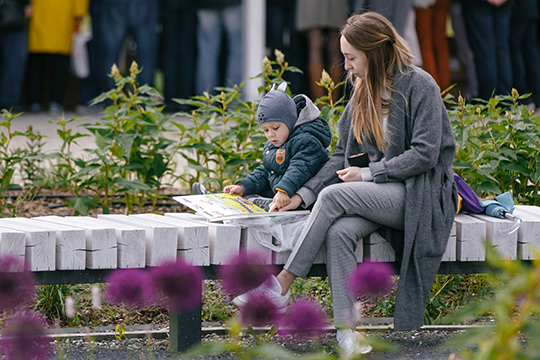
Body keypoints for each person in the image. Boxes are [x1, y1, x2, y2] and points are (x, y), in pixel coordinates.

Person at [233, 12, 458, 357]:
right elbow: (341, 156)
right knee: (339, 232)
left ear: (375, 51)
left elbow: (425, 155)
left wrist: (369, 174)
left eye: (351, 57)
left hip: (420, 194)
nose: (346, 66)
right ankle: (347, 334)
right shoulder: (362, 91)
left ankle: (281, 285)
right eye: (345, 58)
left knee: (336, 196)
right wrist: (300, 194)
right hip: (379, 196)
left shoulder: (420, 85)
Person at [194, 82, 332, 211]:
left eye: (275, 128)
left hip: (303, 199)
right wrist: (244, 185)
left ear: (291, 121)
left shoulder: (306, 141)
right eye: (265, 130)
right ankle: (220, 201)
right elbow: (267, 170)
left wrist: (283, 191)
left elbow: (299, 169)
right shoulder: (277, 141)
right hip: (279, 192)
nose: (271, 134)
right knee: (246, 195)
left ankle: (228, 205)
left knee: (260, 206)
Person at [27, 0, 89, 113]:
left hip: (39, 12)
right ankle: (55, 102)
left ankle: (35, 102)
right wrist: (79, 12)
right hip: (63, 13)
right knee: (59, 62)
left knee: (38, 61)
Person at [461, 0, 512, 101]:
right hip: (504, 4)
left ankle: (489, 100)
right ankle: (505, 100)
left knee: (485, 52)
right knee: (502, 50)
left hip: (479, 5)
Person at [413, 0, 452, 90]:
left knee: (425, 42)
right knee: (440, 41)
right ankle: (445, 90)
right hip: (443, 2)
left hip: (424, 3)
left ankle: (432, 89)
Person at [0, 0, 31, 112]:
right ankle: (8, 101)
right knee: (14, 61)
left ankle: (8, 101)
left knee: (14, 62)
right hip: (13, 14)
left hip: (13, 15)